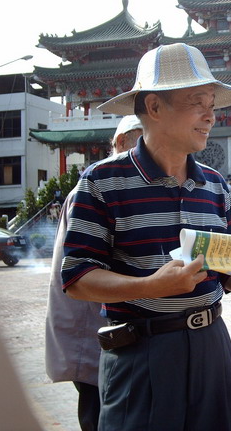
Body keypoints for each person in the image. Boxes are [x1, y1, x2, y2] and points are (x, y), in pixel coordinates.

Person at [60, 44, 231, 431]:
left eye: (212, 105)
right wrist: (150, 286)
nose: (210, 116)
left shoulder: (216, 186)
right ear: (154, 107)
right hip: (140, 353)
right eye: (197, 103)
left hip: (212, 347)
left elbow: (224, 272)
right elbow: (77, 278)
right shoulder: (101, 182)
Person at [45, 115, 144, 431]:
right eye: (143, 143)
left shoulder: (127, 188)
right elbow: (81, 273)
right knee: (100, 416)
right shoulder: (93, 189)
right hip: (93, 331)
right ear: (121, 143)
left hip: (116, 334)